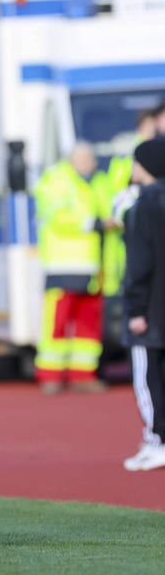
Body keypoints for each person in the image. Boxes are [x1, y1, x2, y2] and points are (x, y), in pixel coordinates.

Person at [32, 142, 111, 394]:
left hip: (94, 267)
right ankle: (50, 376)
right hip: (62, 264)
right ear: (72, 159)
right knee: (56, 322)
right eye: (85, 158)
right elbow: (56, 216)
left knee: (88, 323)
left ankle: (83, 374)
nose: (90, 163)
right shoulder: (56, 179)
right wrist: (93, 223)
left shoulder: (99, 181)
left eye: (91, 158)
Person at [120, 138, 165, 471]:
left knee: (147, 378)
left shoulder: (143, 206)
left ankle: (156, 439)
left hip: (149, 309)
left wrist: (135, 310)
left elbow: (139, 263)